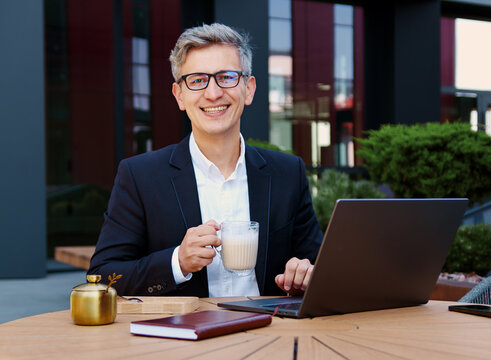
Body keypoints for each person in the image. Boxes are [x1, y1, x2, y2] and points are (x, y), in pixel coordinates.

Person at [88, 23, 322, 297]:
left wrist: (307, 272)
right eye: (197, 80)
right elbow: (103, 277)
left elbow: (321, 267)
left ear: (248, 89)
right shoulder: (139, 176)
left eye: (226, 77)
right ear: (180, 96)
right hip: (184, 337)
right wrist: (177, 262)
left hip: (270, 334)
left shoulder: (287, 173)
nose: (213, 93)